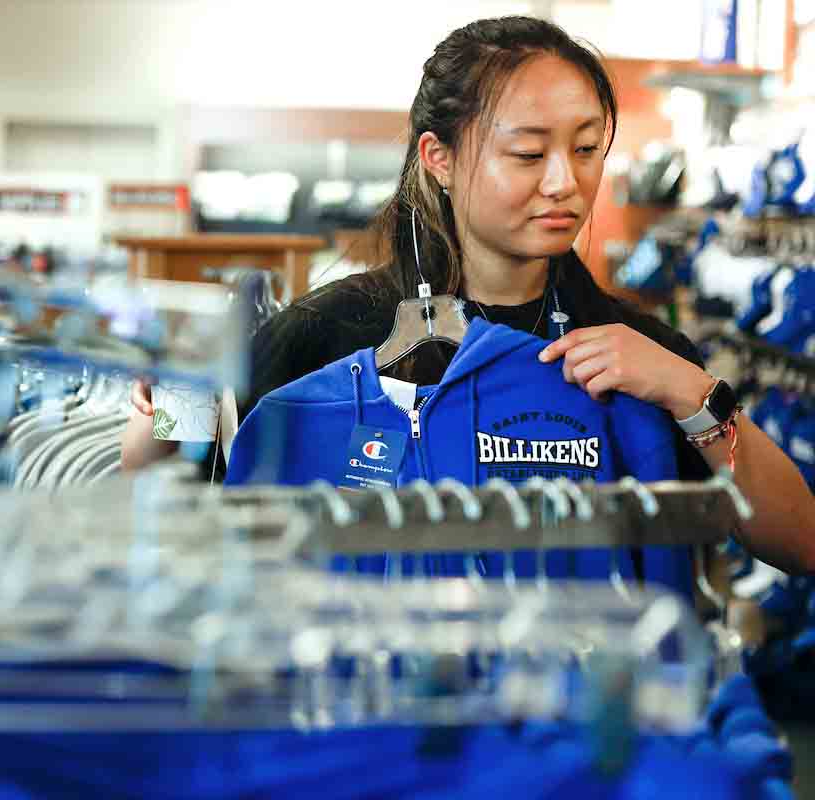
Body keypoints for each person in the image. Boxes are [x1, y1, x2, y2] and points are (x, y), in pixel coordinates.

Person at [121, 15, 815, 575]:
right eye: (527, 152)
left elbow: (800, 544)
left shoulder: (638, 355)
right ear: (440, 159)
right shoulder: (325, 331)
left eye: (586, 148)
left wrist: (693, 394)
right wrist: (162, 408)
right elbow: (161, 483)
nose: (562, 182)